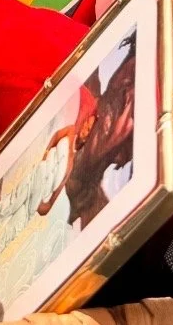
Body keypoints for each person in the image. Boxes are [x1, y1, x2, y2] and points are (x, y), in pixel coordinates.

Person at [35, 47, 137, 229]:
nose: (126, 97)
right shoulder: (75, 73)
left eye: (137, 110)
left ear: (124, 156)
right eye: (132, 79)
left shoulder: (97, 224)